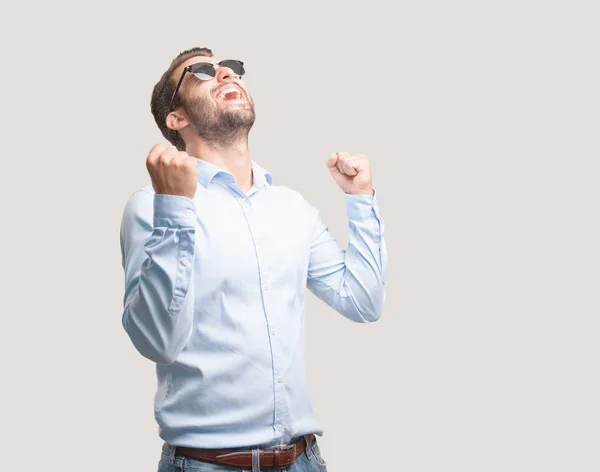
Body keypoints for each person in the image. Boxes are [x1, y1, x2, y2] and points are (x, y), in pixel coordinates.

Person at [119, 46, 388, 472]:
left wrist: (360, 201)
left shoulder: (292, 207)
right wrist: (174, 207)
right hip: (206, 465)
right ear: (177, 118)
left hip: (304, 460)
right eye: (203, 72)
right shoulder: (152, 205)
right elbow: (157, 343)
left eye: (232, 68)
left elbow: (362, 302)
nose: (226, 73)